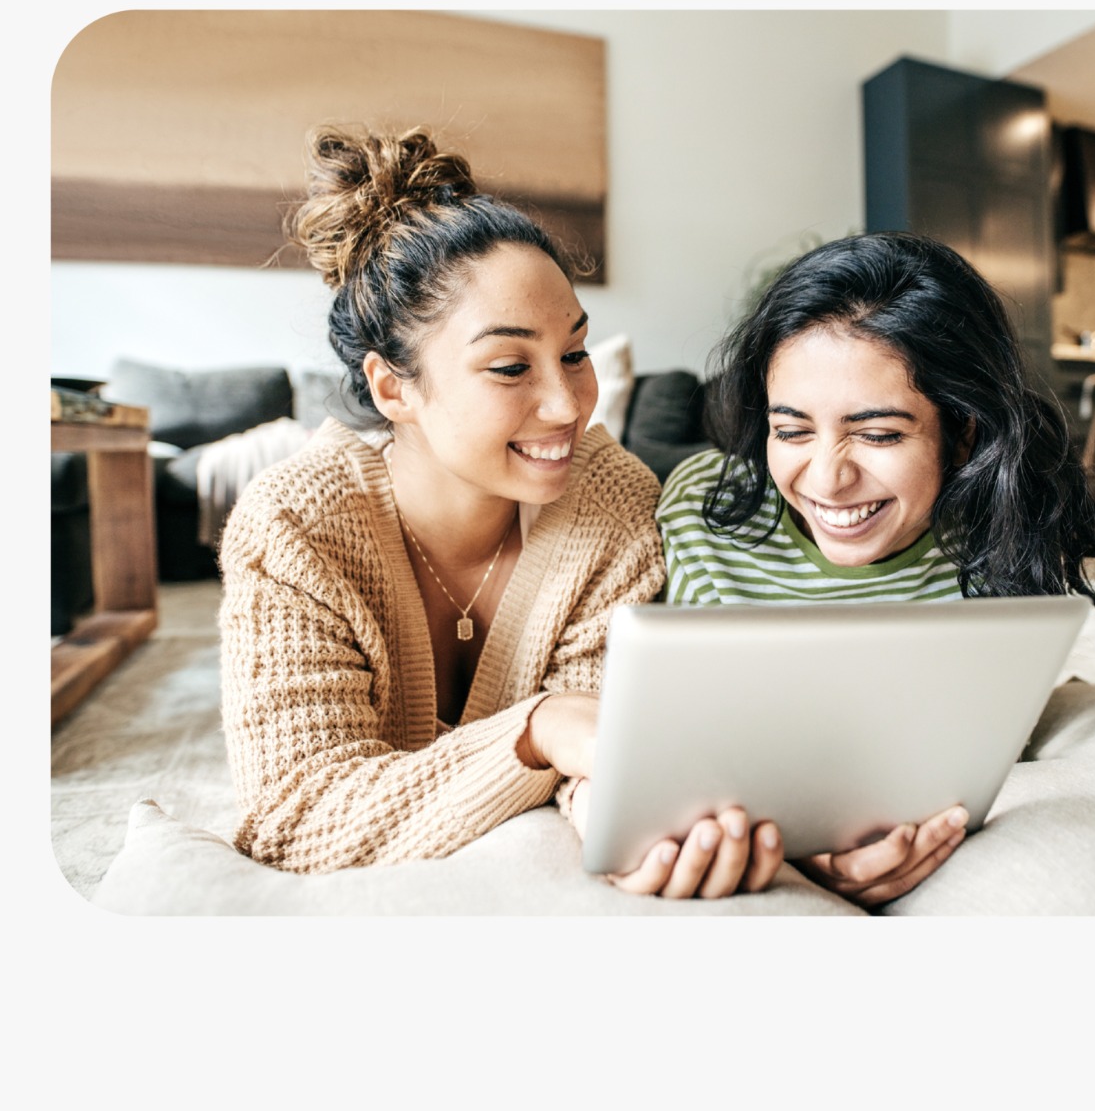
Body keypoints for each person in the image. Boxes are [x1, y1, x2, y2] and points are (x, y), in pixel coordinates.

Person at [218, 126, 781, 898]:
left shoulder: (612, 502)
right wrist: (536, 727)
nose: (567, 405)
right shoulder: (294, 527)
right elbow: (296, 818)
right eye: (511, 366)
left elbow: (598, 751)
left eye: (575, 354)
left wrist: (620, 813)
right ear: (393, 388)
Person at [655, 231, 1095, 905]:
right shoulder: (702, 510)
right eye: (791, 430)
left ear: (964, 428)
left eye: (879, 434)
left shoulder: (1000, 529)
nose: (828, 478)